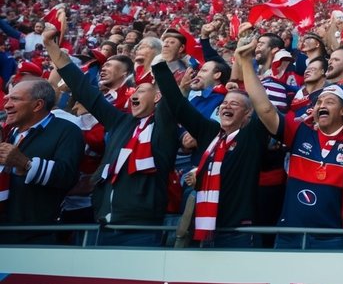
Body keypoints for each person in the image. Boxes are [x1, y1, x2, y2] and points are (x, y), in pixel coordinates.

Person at [46, 15, 177, 246]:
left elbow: (172, 100)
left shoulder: (164, 129)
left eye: (142, 90)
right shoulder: (120, 122)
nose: (134, 93)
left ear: (157, 97)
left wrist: (163, 62)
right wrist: (52, 48)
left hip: (142, 227)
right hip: (104, 223)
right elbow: (85, 89)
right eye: (134, 90)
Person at [235, 34, 343, 250]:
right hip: (289, 235)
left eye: (330, 101)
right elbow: (265, 109)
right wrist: (245, 64)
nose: (321, 104)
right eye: (319, 101)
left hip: (331, 239)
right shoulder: (300, 132)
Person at [152, 55, 266, 248]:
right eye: (224, 103)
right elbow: (179, 106)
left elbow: (264, 110)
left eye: (235, 104)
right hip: (204, 230)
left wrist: (241, 78)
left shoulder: (251, 137)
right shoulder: (210, 132)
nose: (226, 106)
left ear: (248, 114)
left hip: (238, 231)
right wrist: (160, 69)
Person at [0, 79, 82, 244]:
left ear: (37, 105)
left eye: (15, 99)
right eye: (7, 99)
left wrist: (26, 164)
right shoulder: (9, 133)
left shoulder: (67, 130)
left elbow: (67, 176)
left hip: (36, 237)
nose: (6, 105)